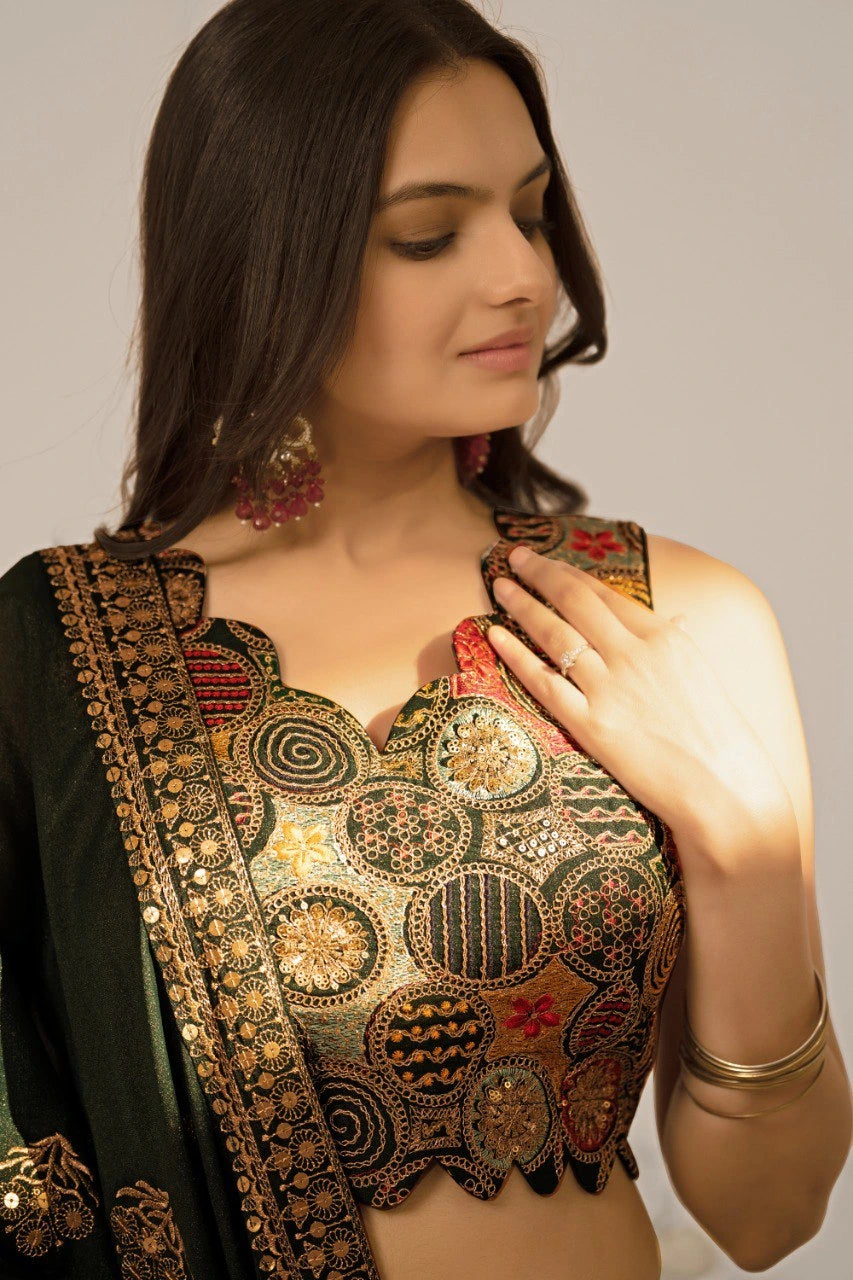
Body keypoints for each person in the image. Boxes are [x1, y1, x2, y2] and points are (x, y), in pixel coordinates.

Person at [1, 2, 850, 1278]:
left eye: (531, 212)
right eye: (428, 234)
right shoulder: (61, 653)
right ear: (263, 257)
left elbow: (767, 1213)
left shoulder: (669, 620)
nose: (521, 274)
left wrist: (745, 850)